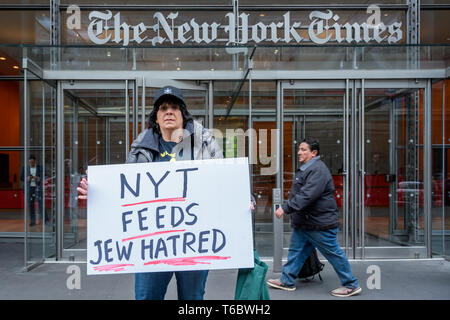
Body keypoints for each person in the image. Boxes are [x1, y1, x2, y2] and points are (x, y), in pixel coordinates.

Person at [78, 85, 254, 300]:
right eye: (163, 108)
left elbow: (226, 179)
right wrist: (98, 193)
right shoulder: (141, 147)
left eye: (174, 108)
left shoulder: (204, 143)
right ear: (157, 117)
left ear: (183, 115)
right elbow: (124, 188)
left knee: (192, 299)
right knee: (146, 297)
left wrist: (245, 197)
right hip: (152, 244)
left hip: (194, 242)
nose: (168, 112)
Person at [266, 139, 362, 298]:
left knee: (333, 253)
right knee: (296, 252)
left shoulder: (318, 169)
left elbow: (307, 195)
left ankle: (351, 284)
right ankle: (287, 280)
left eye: (303, 150)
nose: (299, 152)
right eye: (299, 149)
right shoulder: (309, 168)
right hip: (306, 223)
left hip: (319, 224)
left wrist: (285, 207)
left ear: (314, 153)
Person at [21, 155, 46, 226]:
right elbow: (22, 177)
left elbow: (44, 176)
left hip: (38, 188)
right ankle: (32, 221)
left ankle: (45, 220)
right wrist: (27, 178)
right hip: (29, 188)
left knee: (41, 204)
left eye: (32, 162)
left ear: (35, 161)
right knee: (31, 206)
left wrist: (37, 178)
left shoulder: (39, 168)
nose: (31, 164)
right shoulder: (25, 168)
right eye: (30, 162)